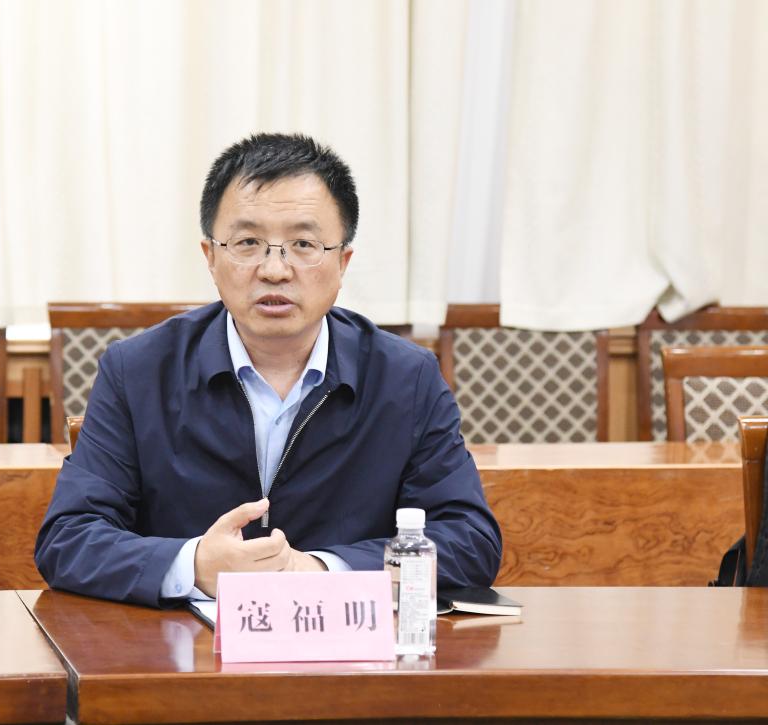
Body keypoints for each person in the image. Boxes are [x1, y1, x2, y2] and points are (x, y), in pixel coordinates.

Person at [35, 133, 501, 607]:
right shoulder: (138, 371)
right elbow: (68, 539)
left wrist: (321, 571)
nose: (275, 270)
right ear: (211, 257)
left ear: (342, 262)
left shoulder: (405, 378)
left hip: (345, 643)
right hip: (184, 646)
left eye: (303, 243)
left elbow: (470, 540)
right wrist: (194, 565)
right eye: (248, 243)